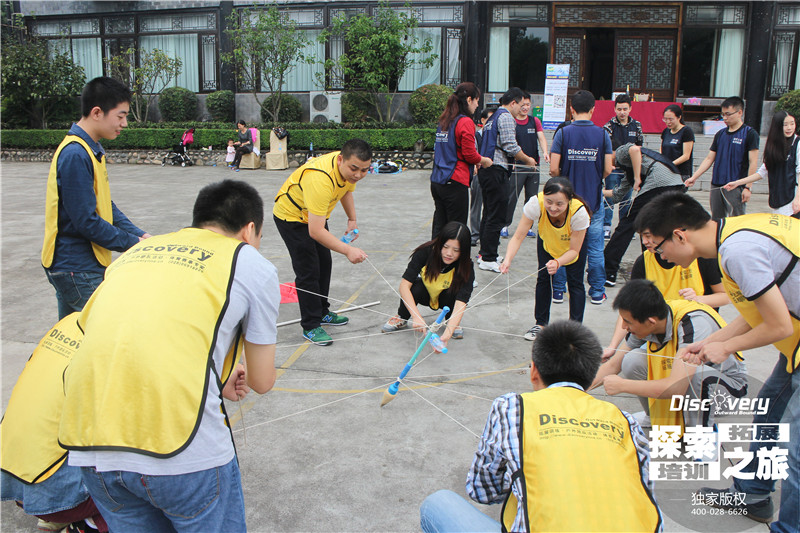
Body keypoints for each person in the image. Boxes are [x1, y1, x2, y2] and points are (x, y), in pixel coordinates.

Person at [57, 179, 280, 532]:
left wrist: (215, 377)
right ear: (249, 230)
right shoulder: (249, 262)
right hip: (182, 452)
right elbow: (262, 380)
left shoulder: (136, 254)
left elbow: (118, 337)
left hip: (91, 448)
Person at [635, 192, 799, 528]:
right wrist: (708, 342)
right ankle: (753, 492)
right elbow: (757, 311)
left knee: (796, 451)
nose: (660, 256)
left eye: (658, 247)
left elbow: (778, 324)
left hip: (794, 339)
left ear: (679, 235)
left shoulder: (738, 251)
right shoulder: (732, 237)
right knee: (770, 405)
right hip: (793, 347)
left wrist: (725, 349)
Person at [419, 321, 662, 533]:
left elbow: (483, 490)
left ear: (534, 371)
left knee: (437, 504)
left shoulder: (513, 407)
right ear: (590, 378)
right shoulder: (625, 420)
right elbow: (645, 495)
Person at [41, 76, 150, 320]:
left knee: (73, 342)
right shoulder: (75, 154)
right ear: (97, 112)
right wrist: (133, 244)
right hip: (76, 269)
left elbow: (105, 205)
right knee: (112, 331)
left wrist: (140, 235)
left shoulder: (90, 150)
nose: (124, 123)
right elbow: (87, 221)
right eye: (120, 116)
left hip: (78, 266)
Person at [591, 279, 746, 431]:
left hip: (724, 392)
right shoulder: (651, 317)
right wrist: (573, 389)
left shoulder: (694, 323)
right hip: (684, 383)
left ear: (651, 322)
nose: (624, 327)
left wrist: (623, 385)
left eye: (627, 322)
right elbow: (613, 365)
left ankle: (702, 436)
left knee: (698, 375)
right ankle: (654, 417)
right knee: (632, 360)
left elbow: (676, 388)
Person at [1, 314, 107, 533]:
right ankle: (90, 523)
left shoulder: (70, 321)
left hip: (12, 476)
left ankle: (57, 512)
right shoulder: (120, 339)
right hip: (55, 492)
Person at [273, 138, 372, 346]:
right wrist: (347, 250)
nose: (358, 175)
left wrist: (352, 218)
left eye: (364, 170)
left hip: (313, 216)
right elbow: (316, 231)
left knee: (324, 263)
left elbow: (346, 190)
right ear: (340, 160)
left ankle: (322, 311)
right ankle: (310, 325)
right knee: (308, 270)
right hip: (291, 217)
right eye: (354, 169)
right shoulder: (320, 179)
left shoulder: (347, 171)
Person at [602, 247, 728, 363]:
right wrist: (613, 347)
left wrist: (697, 300)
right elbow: (629, 311)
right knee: (631, 360)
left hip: (690, 334)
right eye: (643, 235)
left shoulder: (702, 258)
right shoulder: (644, 261)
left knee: (681, 366)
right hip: (659, 329)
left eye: (651, 235)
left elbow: (725, 296)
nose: (646, 241)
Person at [500, 177, 589, 340]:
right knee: (543, 279)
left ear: (569, 200)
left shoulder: (579, 213)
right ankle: (540, 324)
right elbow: (519, 236)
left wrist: (558, 262)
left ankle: (575, 330)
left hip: (571, 248)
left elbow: (575, 250)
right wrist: (507, 259)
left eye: (559, 204)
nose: (553, 208)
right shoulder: (536, 204)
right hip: (547, 241)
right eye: (549, 201)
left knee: (575, 283)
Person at [549, 90, 613, 305]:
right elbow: (607, 169)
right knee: (595, 248)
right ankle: (596, 291)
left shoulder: (563, 133)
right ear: (593, 110)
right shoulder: (603, 134)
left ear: (572, 109)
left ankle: (558, 290)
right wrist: (595, 177)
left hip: (566, 202)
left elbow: (553, 168)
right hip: (593, 201)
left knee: (563, 246)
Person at [603, 142, 686, 286]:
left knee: (629, 224)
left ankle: (608, 270)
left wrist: (637, 178)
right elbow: (617, 195)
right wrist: (597, 191)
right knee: (654, 229)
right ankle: (655, 268)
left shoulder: (621, 152)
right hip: (676, 184)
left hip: (659, 182)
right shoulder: (628, 170)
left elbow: (634, 149)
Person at [381, 221, 474, 347]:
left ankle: (452, 322)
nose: (449, 253)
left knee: (455, 293)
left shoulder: (466, 266)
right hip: (425, 293)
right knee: (415, 287)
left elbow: (461, 301)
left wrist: (447, 334)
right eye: (446, 247)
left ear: (463, 251)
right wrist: (416, 317)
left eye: (456, 250)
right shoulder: (425, 252)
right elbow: (404, 285)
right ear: (440, 243)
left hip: (446, 298)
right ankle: (402, 317)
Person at [476, 87, 538, 273]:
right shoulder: (505, 117)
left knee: (489, 213)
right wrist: (528, 160)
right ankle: (488, 257)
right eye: (521, 104)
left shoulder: (493, 117)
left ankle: (487, 253)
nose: (522, 109)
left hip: (488, 170)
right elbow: (510, 145)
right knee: (497, 215)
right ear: (513, 103)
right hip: (496, 170)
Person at [430, 82, 493, 239]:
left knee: (440, 226)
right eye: (477, 100)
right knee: (456, 230)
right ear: (469, 99)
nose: (478, 105)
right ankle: (454, 263)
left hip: (438, 180)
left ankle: (434, 260)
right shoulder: (465, 121)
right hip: (454, 181)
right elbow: (469, 154)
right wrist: (484, 160)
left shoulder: (445, 120)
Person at [684, 96, 759, 219]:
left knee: (736, 220)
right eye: (723, 114)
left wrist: (748, 187)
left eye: (728, 114)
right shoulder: (720, 134)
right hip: (717, 185)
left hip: (736, 186)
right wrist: (694, 177)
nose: (725, 118)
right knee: (716, 220)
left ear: (740, 112)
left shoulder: (750, 134)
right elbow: (709, 159)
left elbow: (753, 162)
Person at [723, 110, 800, 216]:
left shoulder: (798, 144)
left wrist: (798, 199)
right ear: (777, 127)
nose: (790, 128)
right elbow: (761, 173)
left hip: (793, 199)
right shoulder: (773, 147)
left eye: (792, 123)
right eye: (785, 125)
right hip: (778, 199)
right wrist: (737, 183)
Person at [501, 91, 549, 238]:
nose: (525, 107)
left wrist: (545, 152)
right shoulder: (512, 121)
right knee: (512, 197)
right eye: (523, 105)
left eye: (528, 105)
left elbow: (541, 138)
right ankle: (504, 225)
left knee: (532, 198)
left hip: (533, 166)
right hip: (517, 167)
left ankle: (528, 226)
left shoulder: (534, 121)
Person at [602, 94, 643, 239]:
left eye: (625, 109)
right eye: (619, 109)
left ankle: (624, 228)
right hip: (613, 169)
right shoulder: (608, 126)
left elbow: (639, 148)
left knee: (626, 199)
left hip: (629, 170)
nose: (622, 112)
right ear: (614, 109)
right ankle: (606, 227)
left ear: (630, 108)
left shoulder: (636, 126)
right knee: (610, 197)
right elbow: (606, 150)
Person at [470, 108, 494, 246]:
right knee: (476, 204)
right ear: (483, 120)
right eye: (489, 119)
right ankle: (474, 233)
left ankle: (487, 233)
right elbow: (473, 153)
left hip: (492, 174)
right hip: (479, 174)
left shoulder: (495, 135)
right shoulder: (476, 136)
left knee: (490, 205)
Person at [660, 104, 695, 180]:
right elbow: (662, 150)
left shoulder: (686, 131)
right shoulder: (666, 131)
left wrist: (670, 165)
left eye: (671, 119)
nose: (668, 122)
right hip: (666, 172)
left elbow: (686, 156)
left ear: (679, 117)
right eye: (665, 119)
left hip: (680, 173)